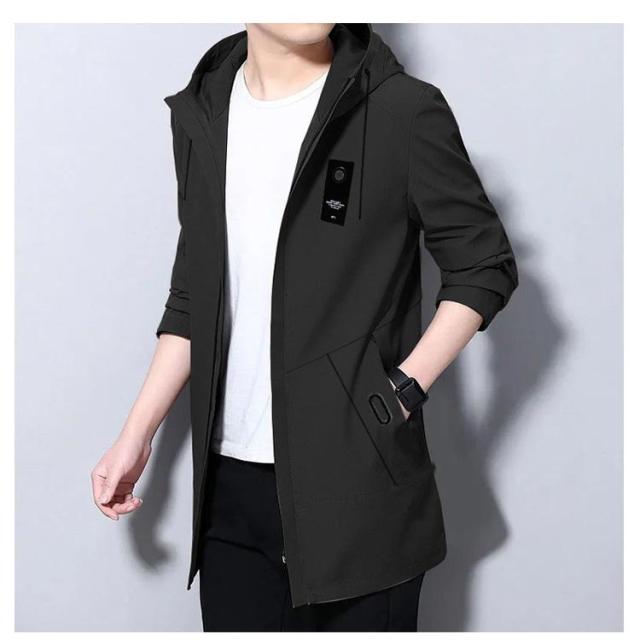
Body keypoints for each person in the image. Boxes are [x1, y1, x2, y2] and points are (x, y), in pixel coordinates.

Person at [91, 23, 518, 631]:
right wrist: (136, 434)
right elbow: (195, 295)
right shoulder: (203, 114)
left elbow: (482, 264)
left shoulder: (401, 110)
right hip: (231, 493)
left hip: (358, 490)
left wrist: (399, 393)